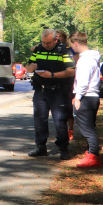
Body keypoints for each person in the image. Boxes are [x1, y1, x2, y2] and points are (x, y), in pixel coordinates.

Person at [25, 29, 76, 159]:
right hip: (40, 90)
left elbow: (71, 71)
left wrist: (52, 75)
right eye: (44, 42)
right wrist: (29, 68)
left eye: (48, 43)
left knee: (60, 121)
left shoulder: (64, 49)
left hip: (58, 91)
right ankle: (41, 147)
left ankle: (63, 148)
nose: (46, 45)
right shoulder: (38, 48)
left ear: (55, 39)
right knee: (39, 120)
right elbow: (28, 65)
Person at [69, 32, 103, 168]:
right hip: (92, 96)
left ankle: (94, 156)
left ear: (76, 43)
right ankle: (91, 153)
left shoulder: (85, 60)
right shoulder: (93, 57)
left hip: (86, 97)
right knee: (90, 127)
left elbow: (83, 81)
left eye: (71, 45)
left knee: (88, 129)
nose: (72, 47)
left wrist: (77, 97)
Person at [57, 30, 77, 140]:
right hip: (58, 82)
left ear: (64, 38)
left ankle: (70, 129)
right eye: (56, 36)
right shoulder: (53, 49)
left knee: (69, 109)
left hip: (69, 82)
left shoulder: (70, 50)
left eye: (60, 36)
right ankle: (63, 130)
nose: (58, 38)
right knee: (60, 109)